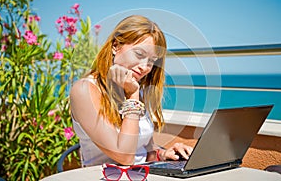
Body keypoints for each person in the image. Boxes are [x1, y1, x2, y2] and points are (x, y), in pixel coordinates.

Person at [70, 15, 193, 167]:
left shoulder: (135, 88)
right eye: (139, 54)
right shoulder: (85, 90)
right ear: (116, 46)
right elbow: (125, 157)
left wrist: (163, 154)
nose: (145, 67)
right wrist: (132, 97)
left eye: (152, 61)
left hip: (142, 174)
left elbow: (143, 152)